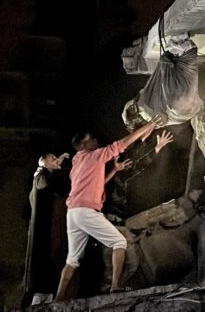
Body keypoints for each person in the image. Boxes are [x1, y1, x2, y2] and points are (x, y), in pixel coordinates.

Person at [55, 118, 162, 301]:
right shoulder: (94, 155)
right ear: (84, 144)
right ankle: (115, 287)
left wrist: (114, 170)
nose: (96, 141)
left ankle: (58, 298)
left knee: (72, 260)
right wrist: (148, 125)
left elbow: (97, 185)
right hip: (86, 212)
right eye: (92, 139)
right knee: (119, 242)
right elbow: (121, 144)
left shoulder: (77, 165)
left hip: (72, 213)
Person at [22, 152, 69, 306]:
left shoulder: (43, 175)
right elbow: (46, 184)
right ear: (43, 163)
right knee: (43, 263)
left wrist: (55, 165)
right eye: (52, 159)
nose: (56, 160)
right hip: (43, 233)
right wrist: (55, 168)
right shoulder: (40, 176)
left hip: (48, 230)